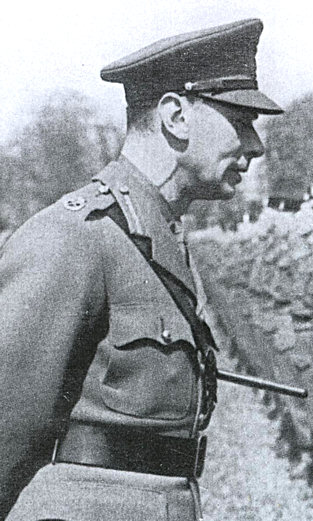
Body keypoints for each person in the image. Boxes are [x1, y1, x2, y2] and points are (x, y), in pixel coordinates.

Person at [0, 19, 281, 521]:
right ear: (176, 115)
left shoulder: (156, 233)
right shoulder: (77, 235)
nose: (255, 145)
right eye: (242, 121)